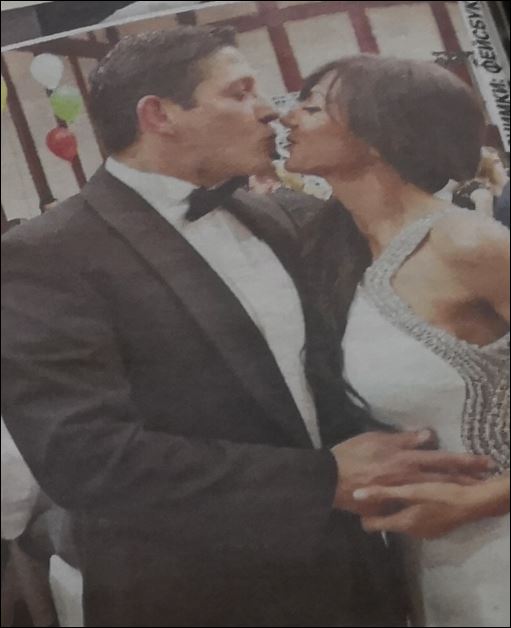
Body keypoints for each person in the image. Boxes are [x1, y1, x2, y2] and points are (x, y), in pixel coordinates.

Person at [2, 30, 492, 627]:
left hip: (362, 575)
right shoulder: (50, 253)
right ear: (159, 116)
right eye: (240, 93)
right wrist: (322, 480)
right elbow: (84, 458)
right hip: (203, 594)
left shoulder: (279, 216)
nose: (270, 110)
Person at [283, 54, 510, 627]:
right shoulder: (332, 251)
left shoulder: (466, 245)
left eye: (312, 106)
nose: (288, 117)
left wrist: (481, 498)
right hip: (427, 564)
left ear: (380, 135)